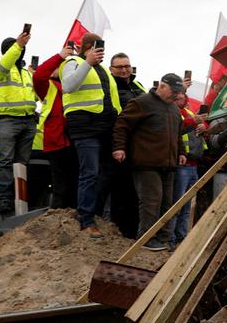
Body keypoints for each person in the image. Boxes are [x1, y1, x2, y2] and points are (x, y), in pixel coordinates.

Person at [112, 73, 185, 251]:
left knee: (167, 202)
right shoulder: (142, 102)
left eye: (178, 92)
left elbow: (177, 133)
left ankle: (164, 238)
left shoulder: (174, 109)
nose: (176, 95)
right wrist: (118, 147)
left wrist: (181, 152)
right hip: (146, 162)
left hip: (168, 164)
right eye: (173, 91)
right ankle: (146, 239)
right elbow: (121, 124)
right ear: (162, 86)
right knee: (151, 200)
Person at [59, 33, 121, 236]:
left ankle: (93, 214)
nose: (100, 52)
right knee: (90, 173)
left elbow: (112, 100)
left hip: (105, 127)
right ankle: (86, 220)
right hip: (85, 127)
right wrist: (87, 62)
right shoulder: (73, 62)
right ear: (86, 47)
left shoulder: (103, 70)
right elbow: (68, 86)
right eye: (96, 47)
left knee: (105, 174)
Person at [0, 32, 37, 216]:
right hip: (8, 120)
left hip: (28, 120)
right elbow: (5, 64)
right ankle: (4, 200)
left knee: (22, 163)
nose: (19, 51)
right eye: (16, 48)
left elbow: (35, 94)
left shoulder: (26, 73)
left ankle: (20, 198)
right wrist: (18, 45)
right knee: (6, 161)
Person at [31, 44, 79, 210]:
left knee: (74, 184)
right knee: (61, 186)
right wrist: (59, 57)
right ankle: (58, 221)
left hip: (74, 139)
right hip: (58, 141)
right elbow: (38, 76)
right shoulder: (49, 86)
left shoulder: (74, 84)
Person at [107, 52, 146, 237]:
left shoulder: (137, 86)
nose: (124, 70)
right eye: (119, 67)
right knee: (120, 191)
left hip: (139, 146)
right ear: (111, 70)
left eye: (126, 66)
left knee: (135, 192)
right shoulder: (109, 85)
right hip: (120, 145)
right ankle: (120, 232)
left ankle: (132, 233)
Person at [172, 89, 207, 247]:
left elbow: (197, 129)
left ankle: (181, 236)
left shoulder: (188, 111)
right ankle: (171, 238)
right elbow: (177, 130)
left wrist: (202, 127)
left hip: (193, 164)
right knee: (177, 204)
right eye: (178, 98)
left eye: (183, 98)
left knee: (186, 205)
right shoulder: (173, 113)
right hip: (182, 164)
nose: (182, 101)